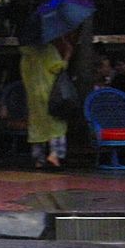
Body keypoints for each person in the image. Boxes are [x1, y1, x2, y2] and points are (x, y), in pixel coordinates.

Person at [19, 30, 77, 169]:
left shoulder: (25, 55)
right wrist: (67, 54)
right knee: (56, 124)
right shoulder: (48, 50)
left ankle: (38, 158)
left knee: (37, 126)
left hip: (33, 96)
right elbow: (58, 67)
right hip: (50, 93)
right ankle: (55, 154)